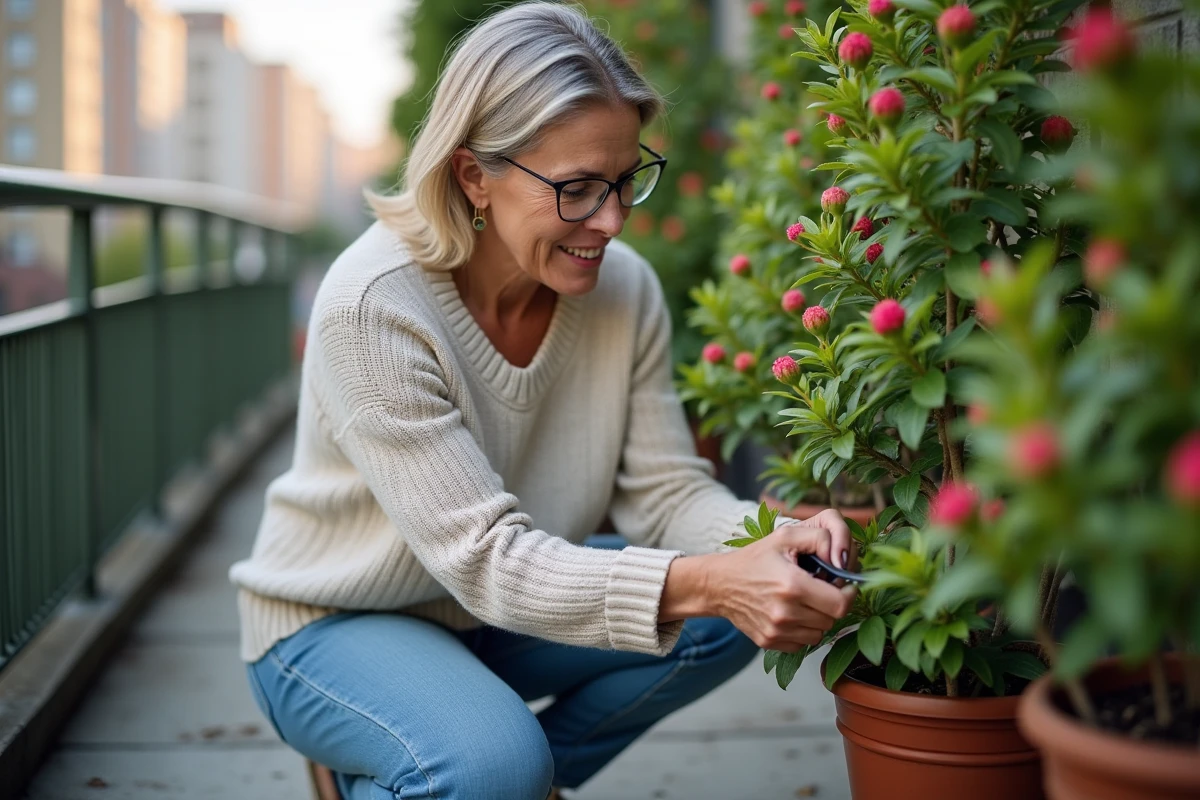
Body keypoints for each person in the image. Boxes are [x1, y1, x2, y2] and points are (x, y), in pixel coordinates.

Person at [230, 3, 856, 799]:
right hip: (336, 623)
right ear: (472, 176)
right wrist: (715, 578)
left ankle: (456, 773)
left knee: (725, 620)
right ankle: (459, 764)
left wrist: (775, 541)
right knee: (498, 764)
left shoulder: (624, 288)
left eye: (627, 180)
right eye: (578, 189)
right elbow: (488, 560)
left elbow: (666, 494)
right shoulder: (373, 308)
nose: (613, 220)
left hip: (497, 613)